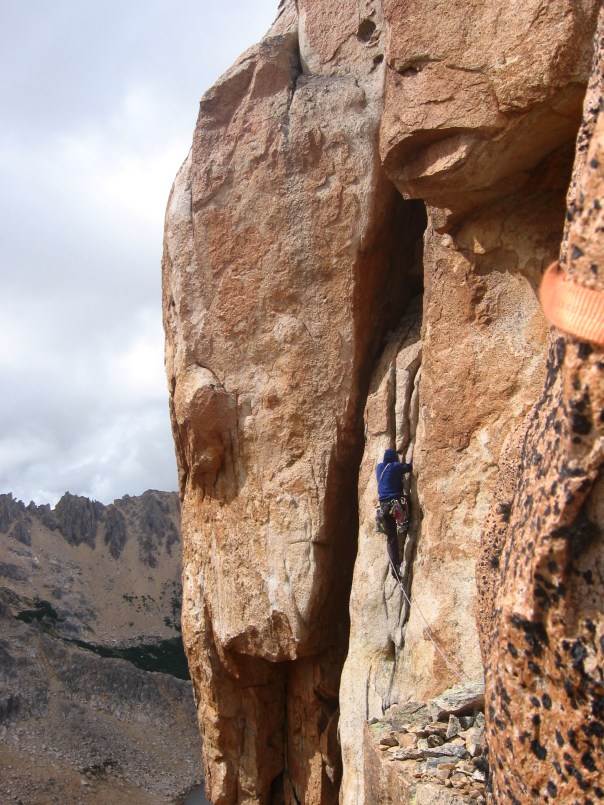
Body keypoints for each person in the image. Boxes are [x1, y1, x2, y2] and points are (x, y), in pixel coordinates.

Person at [375, 448, 412, 579]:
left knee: (391, 538)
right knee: (408, 500)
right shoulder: (396, 467)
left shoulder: (379, 468)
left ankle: (394, 567)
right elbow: (408, 467)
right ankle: (407, 523)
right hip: (396, 504)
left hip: (383, 508)